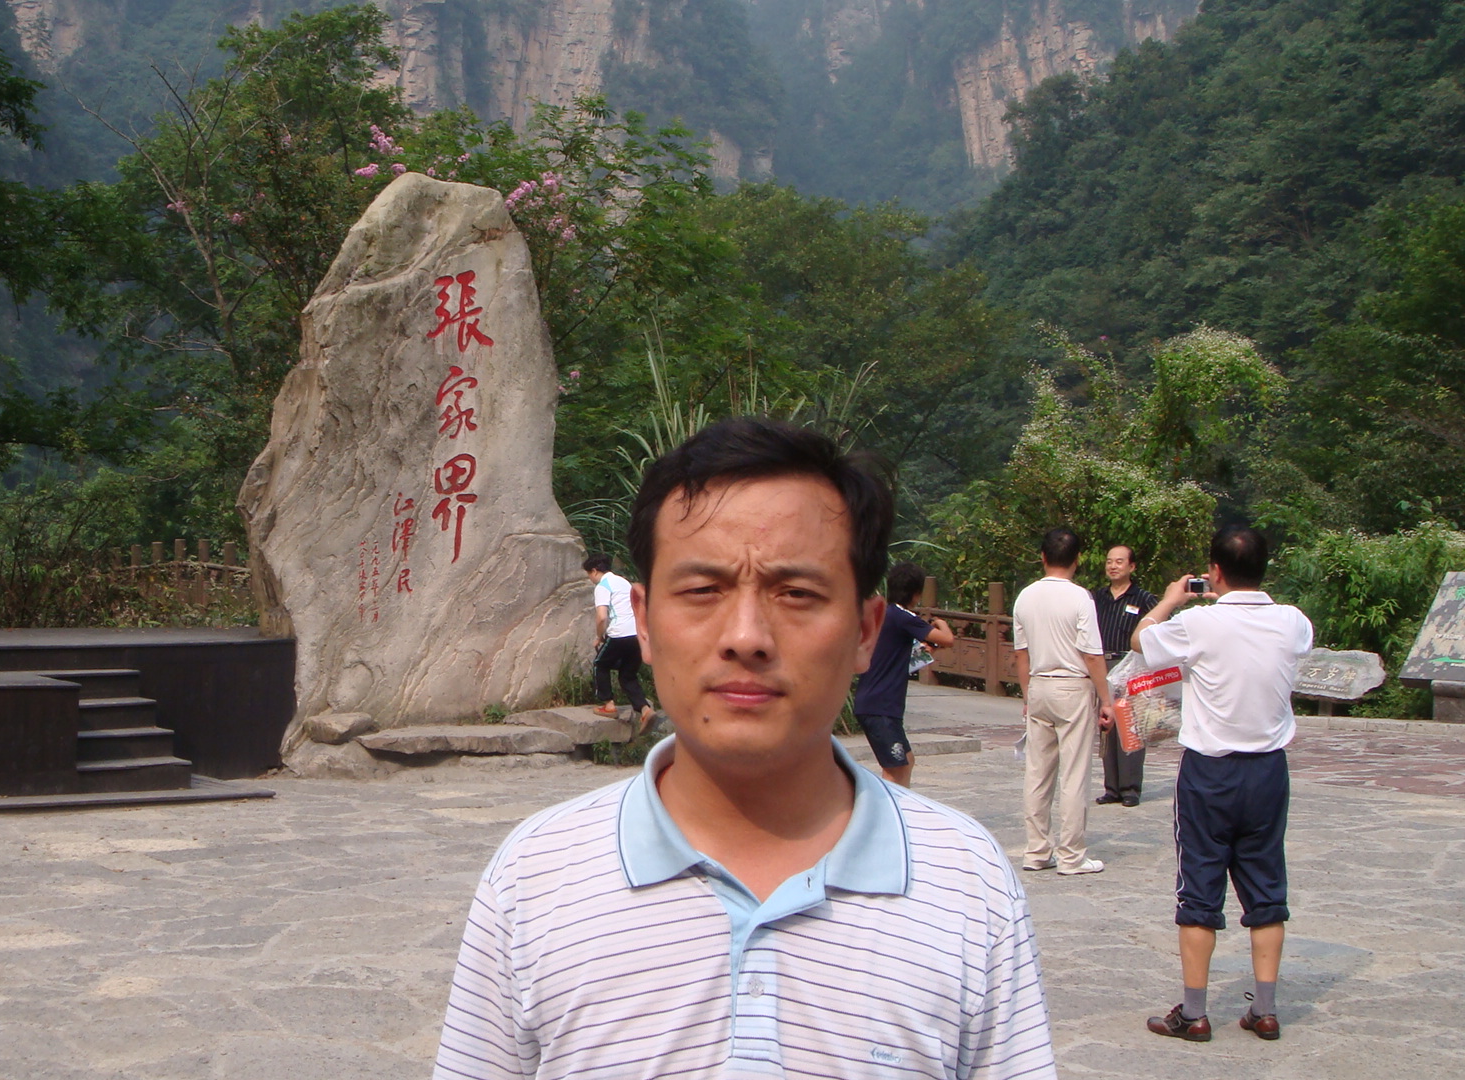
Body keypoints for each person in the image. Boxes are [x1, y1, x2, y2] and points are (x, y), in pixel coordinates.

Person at [435, 418, 1056, 1080]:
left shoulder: (966, 882)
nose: (746, 636)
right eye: (703, 591)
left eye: (797, 593)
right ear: (644, 622)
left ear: (865, 630)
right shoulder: (535, 879)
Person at [1133, 526, 1313, 1044]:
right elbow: (1283, 644)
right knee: (1267, 889)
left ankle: (1194, 1013)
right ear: (1264, 568)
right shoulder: (1293, 622)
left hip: (1209, 773)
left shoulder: (1197, 623)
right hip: (1267, 771)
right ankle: (1266, 1009)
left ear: (1213, 572)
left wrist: (1170, 599)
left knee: (1199, 889)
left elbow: (1142, 641)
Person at [1012, 527, 1116, 876]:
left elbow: (1021, 653)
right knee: (1074, 773)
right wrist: (1106, 699)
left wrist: (1027, 694)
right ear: (1077, 559)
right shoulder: (1080, 598)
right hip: (1072, 686)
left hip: (1039, 684)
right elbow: (1092, 655)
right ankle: (1071, 854)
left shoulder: (1025, 596)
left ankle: (1037, 850)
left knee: (1037, 773)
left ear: (1042, 557)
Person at [852, 561, 956, 786]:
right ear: (916, 593)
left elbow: (894, 654)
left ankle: (901, 806)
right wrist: (941, 623)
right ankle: (888, 808)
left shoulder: (886, 615)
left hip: (876, 702)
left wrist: (924, 651)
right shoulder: (903, 616)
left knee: (906, 761)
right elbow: (947, 640)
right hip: (881, 706)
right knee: (895, 769)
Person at [1093, 545, 1157, 807]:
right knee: (1107, 725)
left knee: (1131, 726)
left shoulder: (1144, 599)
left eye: (1119, 561)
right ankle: (1112, 787)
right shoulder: (1096, 598)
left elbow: (1160, 629)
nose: (1113, 566)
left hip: (1131, 666)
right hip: (1103, 665)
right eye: (1109, 561)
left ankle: (1130, 788)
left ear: (1132, 566)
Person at [584, 554, 655, 733]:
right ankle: (645, 710)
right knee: (627, 675)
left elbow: (602, 617)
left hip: (619, 634)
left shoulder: (603, 586)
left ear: (594, 571)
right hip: (636, 634)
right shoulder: (623, 582)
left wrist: (599, 636)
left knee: (600, 664)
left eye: (589, 574)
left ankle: (608, 705)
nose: (590, 579)